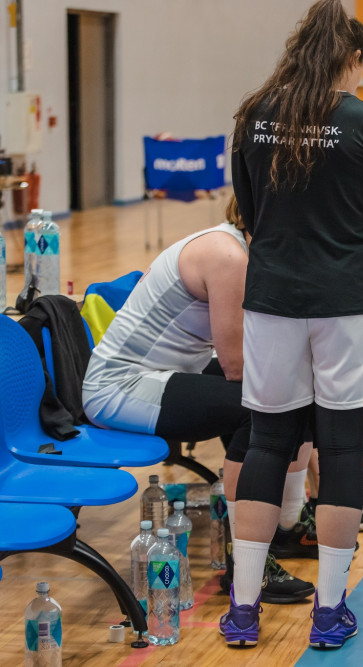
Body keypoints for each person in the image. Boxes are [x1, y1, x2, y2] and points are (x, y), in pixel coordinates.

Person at [221, 0, 363, 650]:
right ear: (352, 57)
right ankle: (329, 610)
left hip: (272, 297)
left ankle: (244, 608)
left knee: (267, 443)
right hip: (345, 299)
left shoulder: (254, 114)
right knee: (342, 447)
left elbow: (246, 209)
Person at [82, 197, 316, 605]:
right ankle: (248, 564)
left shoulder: (239, 248)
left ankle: (283, 526)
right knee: (258, 408)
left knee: (287, 396)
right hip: (118, 387)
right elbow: (236, 365)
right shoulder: (228, 256)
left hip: (162, 375)